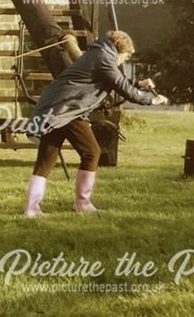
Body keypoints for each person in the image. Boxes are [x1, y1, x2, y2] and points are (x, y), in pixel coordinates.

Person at [24, 30, 168, 217]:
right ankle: (82, 203)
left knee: (47, 158)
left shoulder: (99, 53)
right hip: (68, 111)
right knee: (92, 152)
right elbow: (121, 86)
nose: (122, 62)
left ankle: (31, 208)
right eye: (124, 58)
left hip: (54, 108)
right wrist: (151, 100)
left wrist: (138, 83)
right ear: (120, 49)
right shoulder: (104, 58)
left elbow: (113, 79)